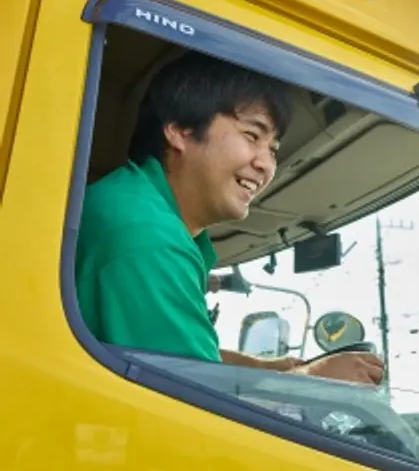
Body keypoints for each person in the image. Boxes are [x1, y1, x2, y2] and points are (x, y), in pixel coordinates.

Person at [75, 50, 384, 386]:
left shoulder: (136, 205)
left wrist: (268, 368)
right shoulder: (148, 237)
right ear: (179, 130)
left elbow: (175, 357)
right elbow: (193, 400)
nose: (266, 165)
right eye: (252, 136)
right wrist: (311, 381)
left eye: (273, 149)